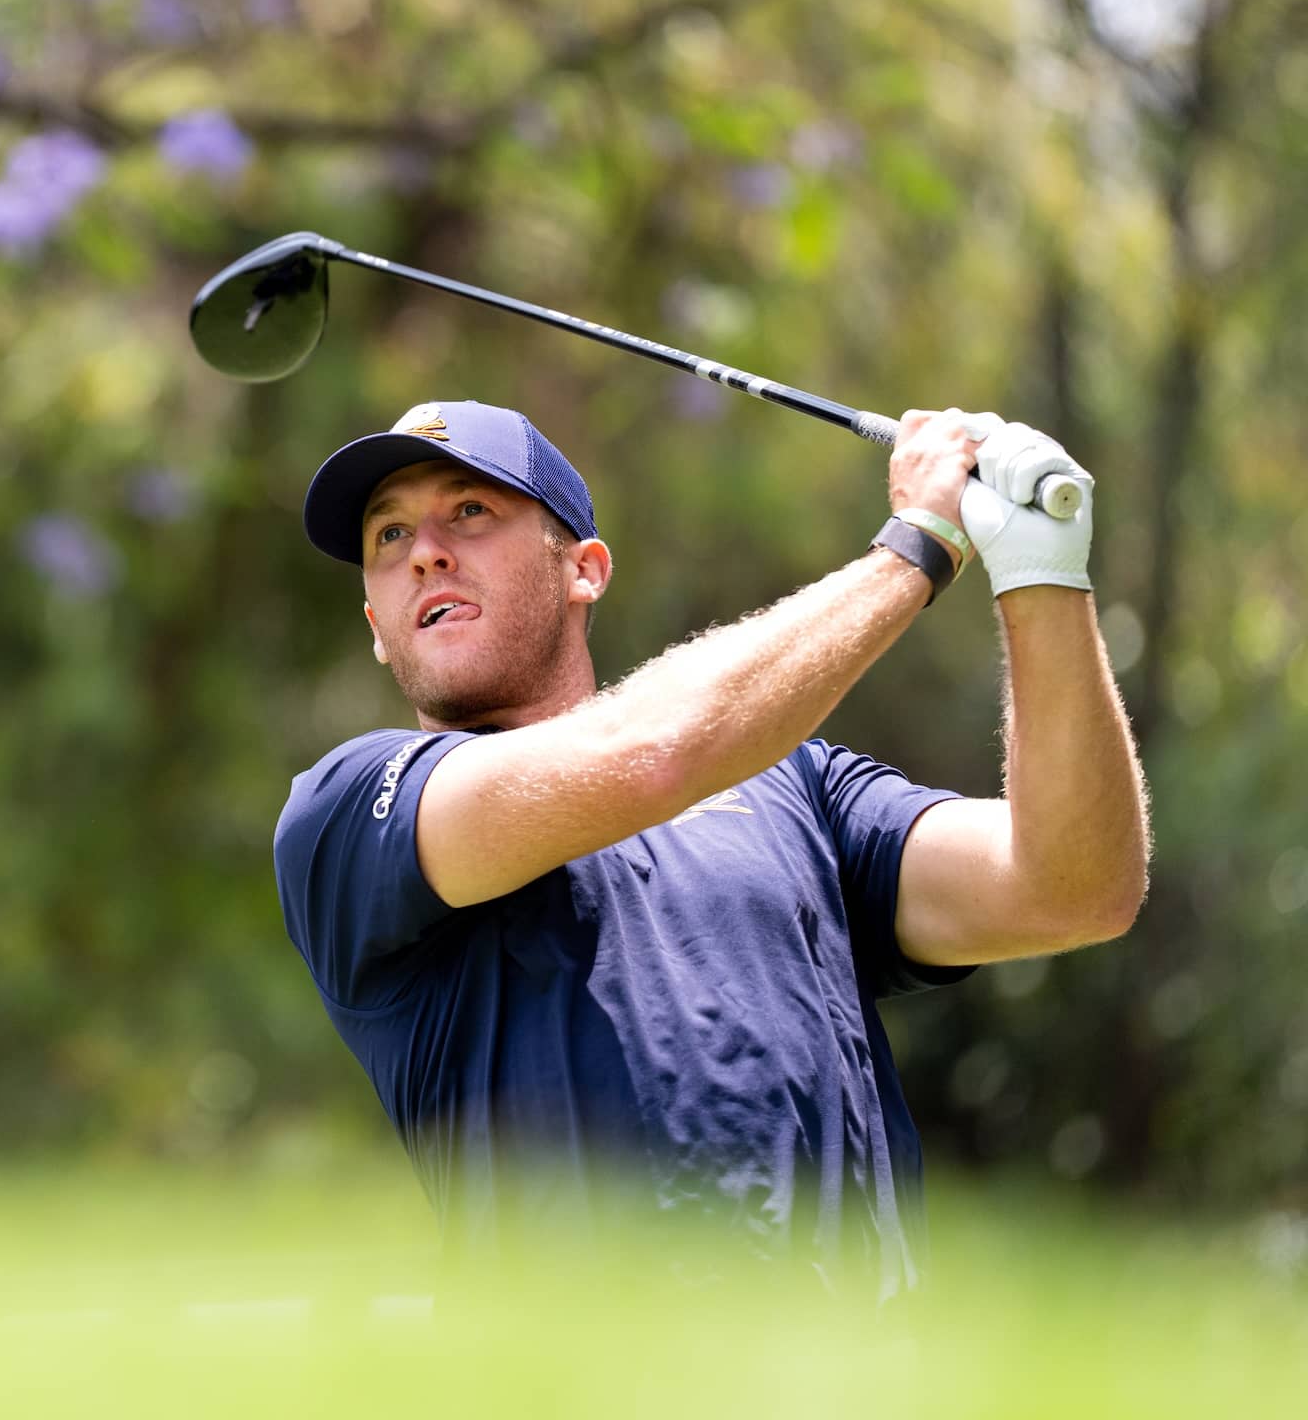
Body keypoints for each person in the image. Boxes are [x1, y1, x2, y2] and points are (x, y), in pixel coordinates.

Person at [273, 399, 1147, 1298]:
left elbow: (1072, 888)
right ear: (377, 626)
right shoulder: (354, 811)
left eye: (470, 511)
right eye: (388, 536)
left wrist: (1042, 578)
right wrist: (917, 545)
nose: (424, 551)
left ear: (583, 569)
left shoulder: (794, 784)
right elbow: (650, 759)